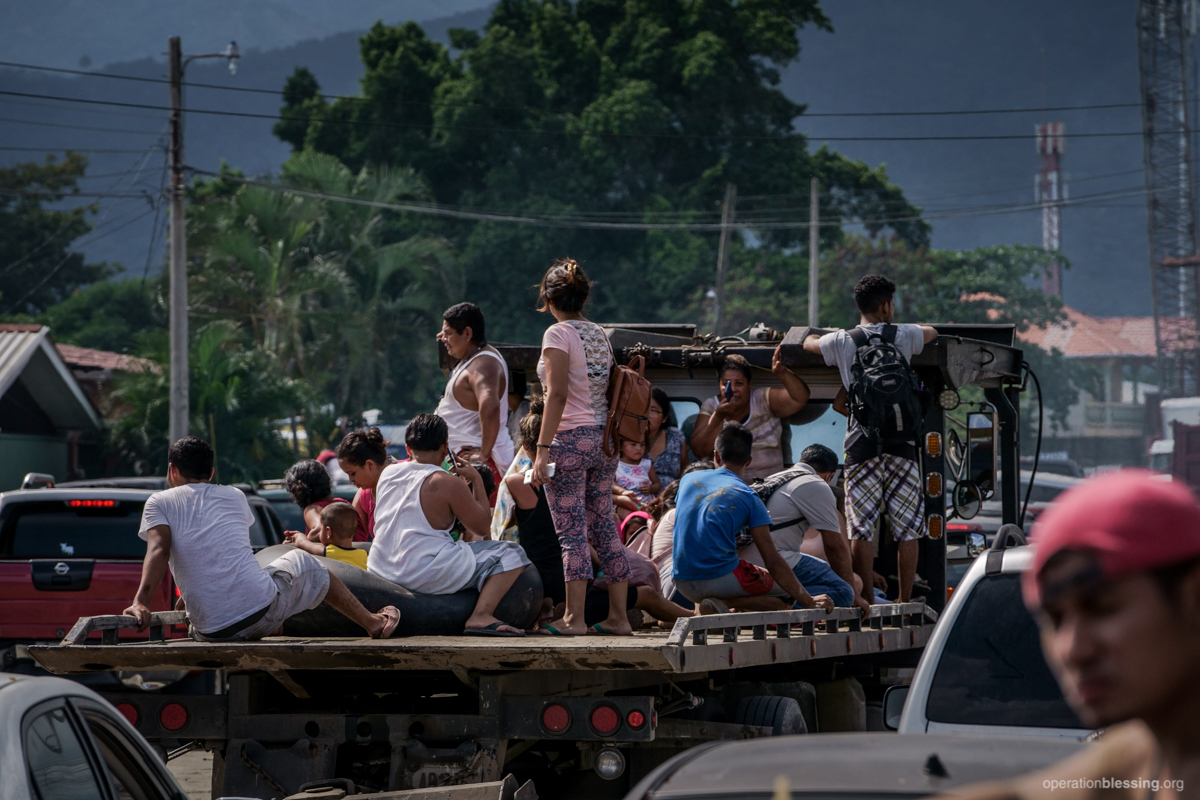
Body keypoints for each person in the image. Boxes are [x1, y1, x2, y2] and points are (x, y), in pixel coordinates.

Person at [950, 470, 1200, 800]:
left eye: (1103, 608)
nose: (1073, 649)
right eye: (1054, 619)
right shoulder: (1144, 754)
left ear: (1194, 597)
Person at [123, 436, 399, 641]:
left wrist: (140, 602)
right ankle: (373, 622)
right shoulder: (234, 495)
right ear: (210, 473)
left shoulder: (159, 502)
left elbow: (159, 550)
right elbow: (226, 551)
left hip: (209, 631)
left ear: (172, 471)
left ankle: (274, 625)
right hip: (258, 615)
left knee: (269, 583)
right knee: (307, 563)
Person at [802, 274, 937, 604]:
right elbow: (934, 332)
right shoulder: (903, 334)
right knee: (908, 528)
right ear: (886, 305)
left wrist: (813, 336)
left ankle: (868, 599)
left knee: (861, 526)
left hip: (861, 445)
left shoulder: (842, 341)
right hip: (902, 445)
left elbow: (807, 344)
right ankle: (904, 601)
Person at [530, 258, 632, 637]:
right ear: (582, 297)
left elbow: (555, 396)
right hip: (603, 441)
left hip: (569, 441)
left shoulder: (557, 335)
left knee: (571, 533)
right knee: (605, 526)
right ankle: (619, 618)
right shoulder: (598, 334)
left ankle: (574, 619)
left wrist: (542, 450)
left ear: (548, 299)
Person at [370, 414, 532, 636]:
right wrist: (475, 479)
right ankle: (481, 616)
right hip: (422, 572)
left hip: (381, 568)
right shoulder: (447, 481)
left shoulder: (387, 473)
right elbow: (483, 528)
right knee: (512, 553)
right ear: (446, 448)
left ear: (408, 449)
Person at [672, 422, 834, 615]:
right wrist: (808, 601)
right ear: (749, 461)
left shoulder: (688, 480)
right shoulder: (748, 497)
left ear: (716, 456)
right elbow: (772, 560)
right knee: (788, 594)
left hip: (681, 581)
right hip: (717, 580)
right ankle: (722, 602)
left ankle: (716, 606)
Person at [737, 444, 859, 611]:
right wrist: (856, 597)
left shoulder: (776, 477)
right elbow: (834, 547)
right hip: (774, 560)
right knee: (844, 592)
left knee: (821, 568)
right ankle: (757, 605)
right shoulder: (816, 483)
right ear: (829, 476)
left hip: (741, 561)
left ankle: (751, 602)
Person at [689, 351, 812, 481]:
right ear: (719, 384)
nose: (733, 390)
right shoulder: (711, 406)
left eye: (739, 383)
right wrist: (718, 417)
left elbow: (800, 397)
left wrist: (781, 373)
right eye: (726, 384)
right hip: (729, 488)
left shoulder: (763, 399)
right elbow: (699, 450)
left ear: (749, 384)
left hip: (770, 486)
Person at [436, 302, 515, 502]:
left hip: (478, 466)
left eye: (448, 333)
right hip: (464, 461)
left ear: (467, 333)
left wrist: (483, 454)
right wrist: (448, 336)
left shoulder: (484, 364)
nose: (443, 338)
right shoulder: (471, 358)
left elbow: (490, 407)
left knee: (480, 532)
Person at [336, 427, 393, 541]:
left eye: (352, 473)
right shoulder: (363, 496)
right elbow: (352, 541)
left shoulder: (405, 480)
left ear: (369, 465)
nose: (351, 480)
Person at [284, 502, 368, 570]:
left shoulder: (328, 552)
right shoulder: (363, 554)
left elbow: (302, 542)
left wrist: (298, 535)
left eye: (321, 528)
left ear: (328, 532)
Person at [283, 459, 351, 540]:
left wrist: (301, 540)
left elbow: (320, 530)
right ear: (328, 483)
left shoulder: (312, 509)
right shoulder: (344, 505)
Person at [647, 388, 688, 485]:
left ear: (664, 418)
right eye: (642, 408)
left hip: (669, 498)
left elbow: (685, 472)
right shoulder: (626, 437)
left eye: (653, 410)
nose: (646, 415)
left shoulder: (676, 436)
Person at [613, 436, 661, 512]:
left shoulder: (647, 464)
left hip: (647, 504)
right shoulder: (616, 465)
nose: (639, 448)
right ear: (621, 446)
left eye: (642, 445)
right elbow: (611, 484)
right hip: (625, 504)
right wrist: (622, 491)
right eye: (633, 444)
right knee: (623, 512)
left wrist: (651, 489)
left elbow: (657, 484)